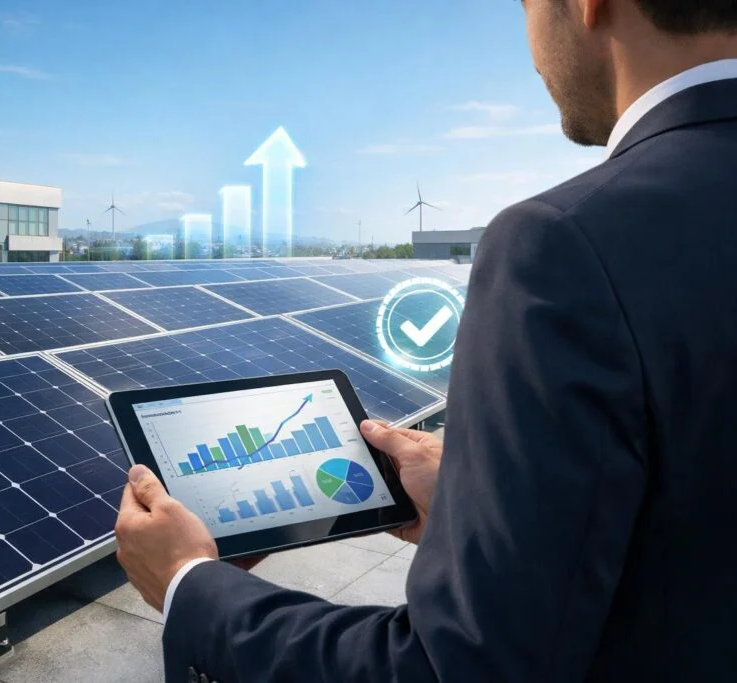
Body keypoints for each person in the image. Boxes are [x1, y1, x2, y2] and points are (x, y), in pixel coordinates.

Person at [115, 0, 737, 680]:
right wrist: (487, 502)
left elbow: (454, 669)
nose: (529, 42)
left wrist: (190, 587)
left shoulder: (565, 244)